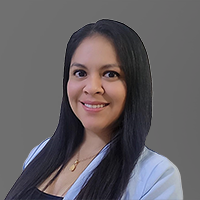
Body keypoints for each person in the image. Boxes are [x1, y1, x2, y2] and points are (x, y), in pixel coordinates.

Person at [5, 19, 183, 200]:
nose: (92, 87)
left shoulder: (157, 177)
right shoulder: (39, 154)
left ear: (135, 85)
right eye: (80, 73)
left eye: (110, 74)